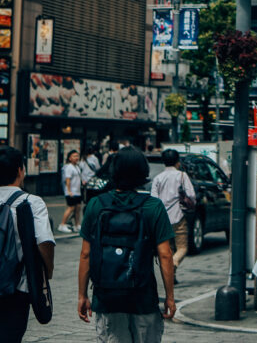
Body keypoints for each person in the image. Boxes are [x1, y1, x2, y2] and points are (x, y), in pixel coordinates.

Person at [78, 145, 176, 341]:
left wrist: (82, 295)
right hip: (143, 297)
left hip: (107, 298)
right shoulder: (153, 206)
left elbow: (86, 254)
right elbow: (165, 254)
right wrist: (170, 297)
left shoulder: (96, 205)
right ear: (143, 172)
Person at [0, 145, 54, 343]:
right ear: (20, 170)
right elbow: (45, 242)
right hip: (18, 286)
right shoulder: (32, 202)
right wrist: (47, 271)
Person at [150, 148, 196, 280]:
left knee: (168, 250)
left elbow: (153, 199)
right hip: (179, 216)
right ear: (177, 162)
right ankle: (174, 264)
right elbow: (191, 195)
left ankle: (171, 277)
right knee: (182, 248)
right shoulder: (181, 176)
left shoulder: (158, 178)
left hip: (162, 219)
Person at [58, 149, 82, 232]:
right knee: (71, 208)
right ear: (69, 158)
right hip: (71, 192)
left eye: (77, 156)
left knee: (78, 208)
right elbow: (67, 180)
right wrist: (69, 191)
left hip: (77, 192)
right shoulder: (68, 167)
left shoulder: (77, 167)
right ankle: (62, 224)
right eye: (74, 156)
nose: (76, 157)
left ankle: (77, 225)